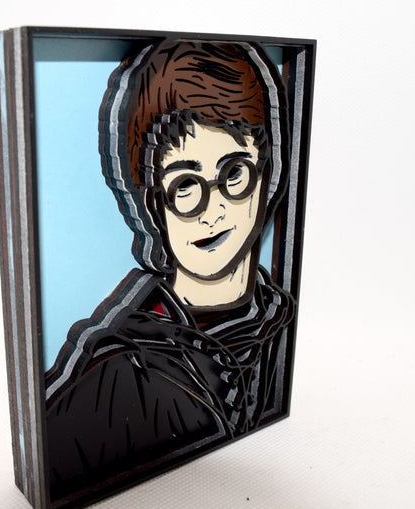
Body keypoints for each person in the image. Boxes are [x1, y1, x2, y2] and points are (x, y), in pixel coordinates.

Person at [44, 40, 296, 501]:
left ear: (267, 174)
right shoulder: (116, 374)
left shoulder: (278, 328)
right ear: (152, 204)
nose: (213, 209)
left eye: (234, 174)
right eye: (185, 185)